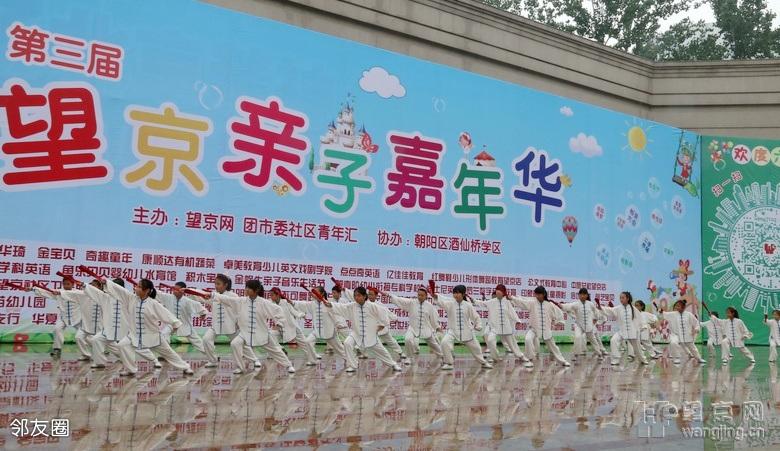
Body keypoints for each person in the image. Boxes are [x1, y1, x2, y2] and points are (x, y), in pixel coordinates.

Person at [200, 280, 295, 374]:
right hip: (245, 333)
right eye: (246, 287)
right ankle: (240, 367)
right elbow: (227, 300)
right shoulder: (241, 301)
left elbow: (278, 310)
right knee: (235, 344)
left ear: (256, 290)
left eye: (249, 288)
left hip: (261, 333)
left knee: (276, 350)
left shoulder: (264, 303)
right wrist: (213, 295)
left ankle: (288, 365)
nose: (247, 290)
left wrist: (279, 323)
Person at [104, 278, 194, 376]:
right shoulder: (131, 298)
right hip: (134, 335)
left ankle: (185, 367)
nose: (136, 288)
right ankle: (130, 369)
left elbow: (165, 313)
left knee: (169, 353)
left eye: (139, 287)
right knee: (122, 345)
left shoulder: (153, 303)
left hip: (152, 335)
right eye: (136, 286)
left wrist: (175, 324)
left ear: (147, 290)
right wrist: (107, 283)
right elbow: (121, 290)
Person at [79, 278, 160, 369]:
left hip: (125, 328)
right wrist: (84, 285)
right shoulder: (106, 297)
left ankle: (155, 360)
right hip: (109, 329)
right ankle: (99, 362)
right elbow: (95, 292)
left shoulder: (129, 298)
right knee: (96, 339)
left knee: (138, 347)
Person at [319, 286, 403, 372]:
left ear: (364, 296)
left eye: (358, 295)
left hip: (370, 334)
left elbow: (383, 312)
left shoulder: (372, 306)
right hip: (356, 332)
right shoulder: (352, 306)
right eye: (355, 295)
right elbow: (341, 307)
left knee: (381, 351)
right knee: (347, 343)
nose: (356, 297)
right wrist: (331, 305)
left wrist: (382, 325)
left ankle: (393, 365)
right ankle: (352, 365)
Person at [200, 274, 261, 368]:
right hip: (216, 326)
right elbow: (201, 297)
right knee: (206, 339)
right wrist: (189, 293)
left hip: (230, 326)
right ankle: (213, 360)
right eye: (215, 284)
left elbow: (239, 310)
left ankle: (255, 360)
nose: (216, 286)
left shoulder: (233, 296)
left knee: (242, 344)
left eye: (218, 284)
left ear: (225, 285)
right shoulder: (212, 296)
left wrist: (239, 322)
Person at [340, 283, 406, 363]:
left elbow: (387, 312)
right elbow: (353, 296)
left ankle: (400, 352)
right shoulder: (363, 303)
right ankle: (364, 354)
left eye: (372, 294)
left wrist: (394, 318)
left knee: (390, 341)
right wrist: (344, 290)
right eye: (369, 294)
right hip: (369, 328)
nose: (370, 296)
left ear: (376, 296)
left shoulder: (379, 305)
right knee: (362, 339)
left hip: (380, 328)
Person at [469, 284, 533, 367]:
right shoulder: (492, 302)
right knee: (490, 340)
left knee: (513, 344)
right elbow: (482, 303)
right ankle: (494, 357)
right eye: (497, 290)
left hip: (506, 327)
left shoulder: (507, 302)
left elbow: (512, 312)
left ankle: (521, 356)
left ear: (503, 292)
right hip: (495, 328)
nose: (498, 292)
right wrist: (474, 301)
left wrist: (518, 321)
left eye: (500, 290)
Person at [433, 284, 492, 371]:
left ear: (463, 294)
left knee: (476, 348)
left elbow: (476, 317)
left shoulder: (468, 305)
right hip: (453, 330)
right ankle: (449, 363)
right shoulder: (450, 304)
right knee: (444, 342)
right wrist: (435, 297)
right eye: (454, 293)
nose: (455, 295)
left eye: (458, 293)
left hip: (467, 331)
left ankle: (483, 362)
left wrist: (479, 326)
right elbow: (442, 303)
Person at [509, 286, 570, 366]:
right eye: (536, 294)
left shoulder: (549, 304)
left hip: (546, 330)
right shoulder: (532, 303)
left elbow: (559, 312)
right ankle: (530, 359)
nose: (537, 296)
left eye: (539, 294)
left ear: (543, 294)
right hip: (534, 329)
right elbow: (522, 302)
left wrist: (560, 323)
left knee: (553, 347)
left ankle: (562, 361)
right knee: (528, 339)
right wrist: (512, 298)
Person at [385, 287, 444, 362]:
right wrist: (389, 295)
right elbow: (400, 300)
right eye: (419, 295)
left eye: (422, 295)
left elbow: (433, 318)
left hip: (426, 329)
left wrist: (437, 327)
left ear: (426, 296)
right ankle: (410, 357)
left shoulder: (429, 306)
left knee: (434, 345)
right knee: (408, 339)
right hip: (413, 328)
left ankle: (443, 356)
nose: (420, 297)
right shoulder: (412, 303)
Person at [30, 277, 83, 358]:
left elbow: (87, 294)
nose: (66, 286)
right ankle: (57, 349)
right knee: (57, 329)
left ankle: (99, 348)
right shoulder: (58, 292)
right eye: (64, 284)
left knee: (85, 334)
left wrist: (60, 293)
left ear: (73, 284)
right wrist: (32, 289)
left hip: (77, 318)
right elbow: (46, 292)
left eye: (68, 284)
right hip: (63, 317)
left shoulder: (78, 293)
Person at [291, 286, 347, 359]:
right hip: (317, 331)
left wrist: (338, 326)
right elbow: (302, 305)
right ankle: (313, 360)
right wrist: (292, 302)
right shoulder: (312, 304)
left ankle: (350, 360)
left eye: (316, 292)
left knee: (340, 349)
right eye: (314, 292)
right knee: (308, 342)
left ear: (322, 293)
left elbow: (336, 317)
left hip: (329, 331)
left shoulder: (328, 304)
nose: (314, 294)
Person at [268, 287, 319, 366]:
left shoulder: (285, 302)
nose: (271, 297)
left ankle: (314, 355)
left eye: (272, 295)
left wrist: (302, 315)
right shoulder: (271, 304)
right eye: (270, 295)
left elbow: (293, 311)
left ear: (277, 295)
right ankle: (278, 351)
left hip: (292, 327)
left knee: (304, 343)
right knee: (270, 335)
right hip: (281, 328)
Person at [157, 282, 209, 358]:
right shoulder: (168, 298)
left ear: (182, 291)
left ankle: (211, 355)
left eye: (176, 289)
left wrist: (203, 314)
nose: (174, 291)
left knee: (197, 342)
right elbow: (158, 294)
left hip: (185, 325)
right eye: (174, 289)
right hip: (172, 324)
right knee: (163, 336)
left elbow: (198, 306)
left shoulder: (187, 301)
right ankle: (166, 355)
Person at [597, 291, 648, 366]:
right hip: (621, 331)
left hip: (632, 332)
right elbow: (610, 311)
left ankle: (642, 359)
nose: (621, 299)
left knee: (637, 348)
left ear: (627, 298)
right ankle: (616, 358)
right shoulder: (618, 308)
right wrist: (601, 307)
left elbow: (640, 317)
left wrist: (644, 326)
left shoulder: (633, 308)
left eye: (623, 298)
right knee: (614, 340)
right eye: (620, 298)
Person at [560, 288, 604, 359]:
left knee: (593, 340)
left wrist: (596, 318)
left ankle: (599, 354)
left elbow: (596, 311)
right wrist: (561, 305)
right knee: (578, 337)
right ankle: (576, 355)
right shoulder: (576, 304)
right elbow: (569, 306)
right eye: (580, 294)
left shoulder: (590, 304)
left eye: (584, 294)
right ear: (578, 295)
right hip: (579, 326)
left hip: (589, 326)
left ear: (587, 295)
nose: (582, 296)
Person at [659, 300, 706, 364]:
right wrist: (661, 312)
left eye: (678, 306)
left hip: (687, 335)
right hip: (677, 335)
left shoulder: (689, 315)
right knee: (673, 343)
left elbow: (696, 322)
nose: (676, 307)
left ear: (683, 307)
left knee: (693, 348)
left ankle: (699, 358)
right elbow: (664, 314)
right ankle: (677, 358)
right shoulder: (673, 314)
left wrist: (696, 329)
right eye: (676, 306)